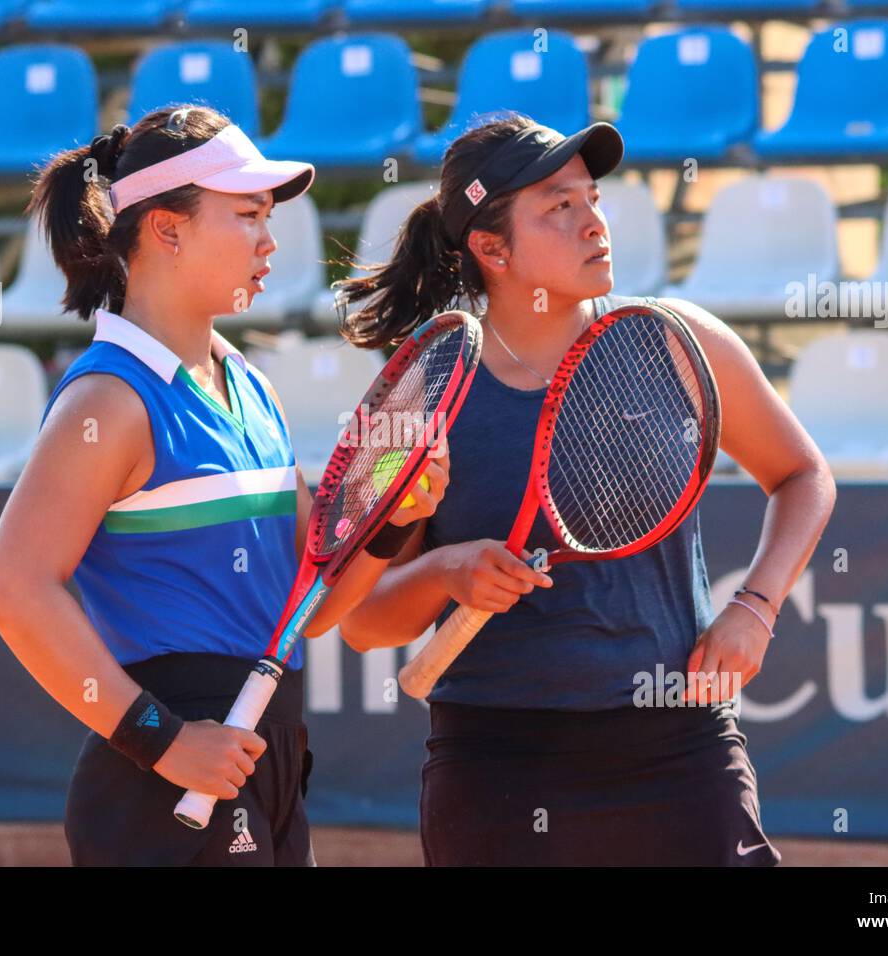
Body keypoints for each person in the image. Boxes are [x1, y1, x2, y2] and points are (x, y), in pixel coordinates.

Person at [336, 114, 837, 866]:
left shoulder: (681, 341)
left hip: (680, 745)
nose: (593, 222)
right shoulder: (422, 396)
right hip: (495, 762)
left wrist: (755, 606)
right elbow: (362, 622)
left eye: (590, 198)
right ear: (491, 247)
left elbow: (802, 475)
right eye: (558, 208)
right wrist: (447, 570)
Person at [0, 105, 449, 866]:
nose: (271, 241)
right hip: (166, 776)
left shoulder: (248, 385)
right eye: (248, 215)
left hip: (264, 758)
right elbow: (12, 589)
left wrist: (395, 518)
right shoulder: (109, 400)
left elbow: (314, 603)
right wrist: (158, 739)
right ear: (167, 229)